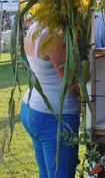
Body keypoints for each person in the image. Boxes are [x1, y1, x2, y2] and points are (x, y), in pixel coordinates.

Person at [21, 23, 81, 177]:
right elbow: (71, 85)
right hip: (54, 117)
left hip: (33, 108)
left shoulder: (35, 27)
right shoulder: (55, 36)